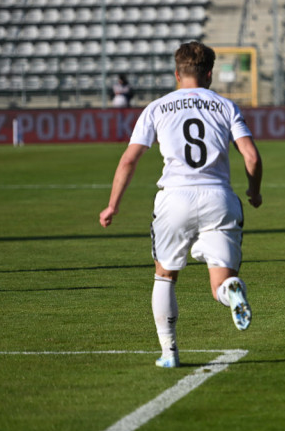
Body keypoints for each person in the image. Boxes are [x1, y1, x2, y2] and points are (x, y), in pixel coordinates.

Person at [99, 41, 263, 368]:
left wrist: (113, 205)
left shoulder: (157, 108)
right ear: (209, 75)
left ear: (177, 74)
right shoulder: (226, 106)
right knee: (221, 281)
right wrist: (254, 191)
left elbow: (129, 159)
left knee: (165, 276)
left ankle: (169, 353)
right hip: (218, 197)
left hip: (174, 198)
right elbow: (251, 156)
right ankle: (230, 291)